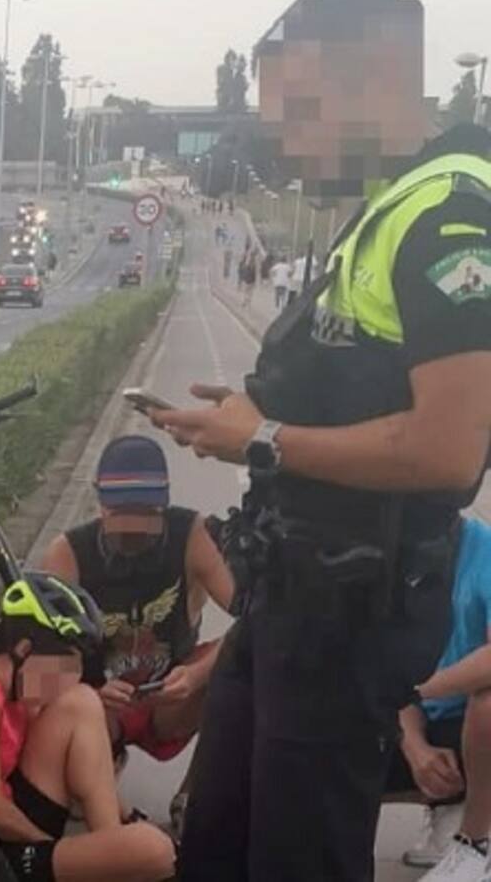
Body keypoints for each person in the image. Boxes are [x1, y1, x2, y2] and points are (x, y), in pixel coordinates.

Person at [152, 122, 491, 882]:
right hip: (287, 590)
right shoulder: (385, 212)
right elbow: (350, 387)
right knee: (216, 840)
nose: (285, 127)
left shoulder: (450, 216)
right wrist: (248, 411)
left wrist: (262, 436)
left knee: (299, 855)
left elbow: (449, 450)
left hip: (344, 605)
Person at [0, 575, 175, 882]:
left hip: (0, 827)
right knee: (155, 851)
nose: (66, 680)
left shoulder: (14, 684)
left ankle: (110, 851)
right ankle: (109, 859)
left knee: (82, 702)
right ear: (24, 649)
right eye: (62, 669)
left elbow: (81, 754)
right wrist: (55, 850)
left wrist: (118, 819)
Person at [39, 436, 235, 833]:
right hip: (102, 708)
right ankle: (99, 775)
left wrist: (196, 675)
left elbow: (255, 616)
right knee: (56, 706)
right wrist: (90, 693)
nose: (132, 532)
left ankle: (193, 797)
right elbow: (31, 673)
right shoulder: (68, 554)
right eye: (121, 517)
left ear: (163, 506)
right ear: (100, 504)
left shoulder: (191, 534)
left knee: (245, 661)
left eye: (144, 516)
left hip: (172, 696)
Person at [384, 515, 491, 880]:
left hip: (470, 720)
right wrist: (414, 747)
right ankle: (450, 811)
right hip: (409, 719)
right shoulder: (382, 557)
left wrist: (418, 687)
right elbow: (377, 669)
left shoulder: (486, 550)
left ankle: (477, 840)